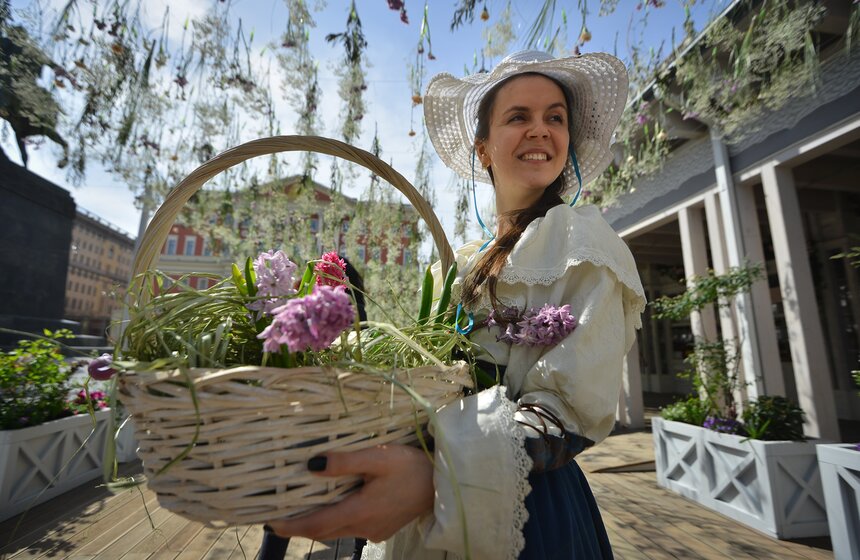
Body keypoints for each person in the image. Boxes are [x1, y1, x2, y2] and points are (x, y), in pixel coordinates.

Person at [266, 50, 646, 560]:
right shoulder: (462, 262)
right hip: (427, 506)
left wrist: (433, 476)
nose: (540, 129)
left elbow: (565, 415)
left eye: (555, 118)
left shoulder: (580, 242)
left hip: (527, 515)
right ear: (483, 149)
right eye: (519, 116)